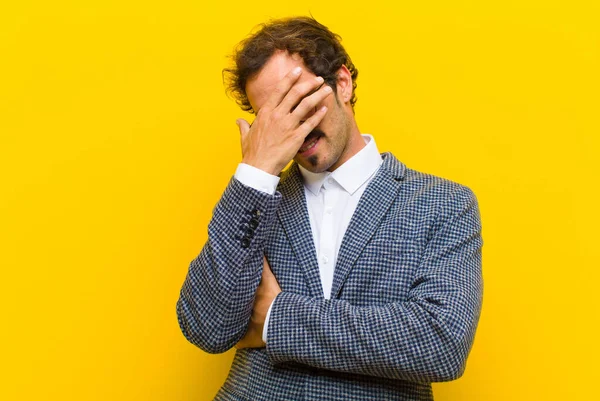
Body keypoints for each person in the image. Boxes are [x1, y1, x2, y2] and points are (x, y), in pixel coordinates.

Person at [176, 16, 483, 401]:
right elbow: (206, 326)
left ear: (342, 82)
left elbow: (441, 342)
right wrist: (254, 175)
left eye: (300, 103)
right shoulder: (254, 201)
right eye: (273, 117)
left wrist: (276, 317)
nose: (294, 128)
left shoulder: (443, 204)